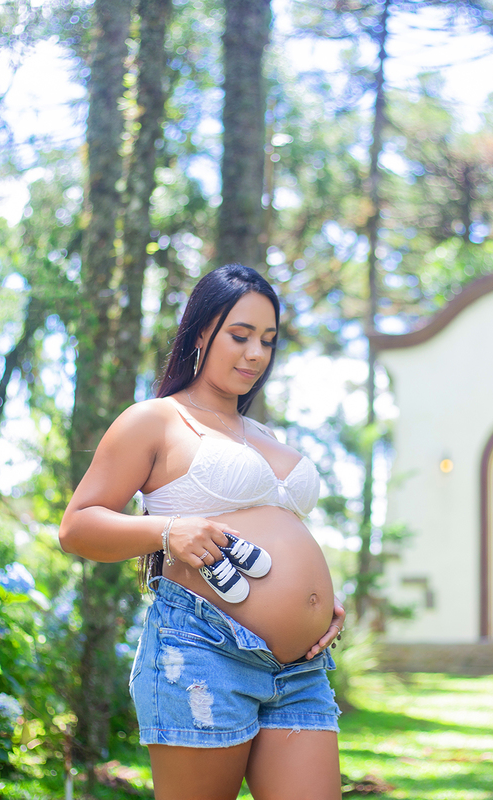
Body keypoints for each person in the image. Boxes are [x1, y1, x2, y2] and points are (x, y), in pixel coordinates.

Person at [59, 264, 346, 800]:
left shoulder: (262, 434)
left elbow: (282, 530)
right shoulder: (156, 420)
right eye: (239, 336)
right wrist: (170, 532)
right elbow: (77, 526)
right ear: (200, 333)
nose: (256, 353)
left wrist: (320, 602)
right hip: (203, 652)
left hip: (301, 669)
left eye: (267, 339)